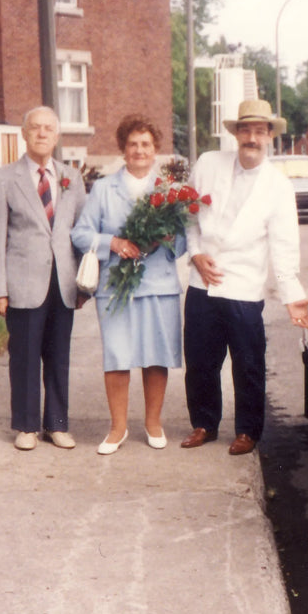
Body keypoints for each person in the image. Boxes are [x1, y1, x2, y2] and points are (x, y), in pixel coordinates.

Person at [181, 98, 308, 456]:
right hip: (201, 284)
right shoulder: (208, 164)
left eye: (259, 131)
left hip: (244, 288)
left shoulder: (278, 186)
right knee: (200, 361)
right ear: (236, 133)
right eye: (245, 129)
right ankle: (204, 424)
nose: (251, 137)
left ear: (270, 136)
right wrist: (195, 255)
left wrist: (292, 297)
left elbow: (285, 246)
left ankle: (247, 431)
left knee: (249, 364)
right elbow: (189, 217)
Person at [71, 115, 183, 454]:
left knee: (155, 354)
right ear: (122, 148)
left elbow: (184, 240)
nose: (139, 150)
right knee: (117, 356)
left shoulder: (169, 190)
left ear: (156, 149)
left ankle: (153, 423)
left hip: (158, 284)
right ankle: (117, 427)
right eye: (132, 144)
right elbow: (80, 233)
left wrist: (168, 239)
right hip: (116, 288)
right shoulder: (104, 188)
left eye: (145, 144)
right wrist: (113, 243)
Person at [0, 106, 87, 450]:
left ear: (57, 136)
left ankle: (56, 424)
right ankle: (26, 426)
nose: (42, 134)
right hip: (23, 283)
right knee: (25, 355)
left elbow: (82, 232)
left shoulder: (72, 178)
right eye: (35, 128)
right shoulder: (3, 179)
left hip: (64, 283)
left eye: (48, 129)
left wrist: (85, 283)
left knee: (58, 356)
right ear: (24, 134)